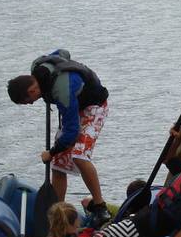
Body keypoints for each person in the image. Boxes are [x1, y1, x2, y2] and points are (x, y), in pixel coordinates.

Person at [7, 49, 111, 223]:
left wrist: (51, 151)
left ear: (32, 90)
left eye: (29, 101)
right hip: (73, 107)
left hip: (94, 107)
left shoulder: (62, 91)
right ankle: (58, 215)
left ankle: (101, 208)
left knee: (78, 155)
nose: (32, 103)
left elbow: (71, 132)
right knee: (58, 164)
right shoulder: (38, 65)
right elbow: (63, 52)